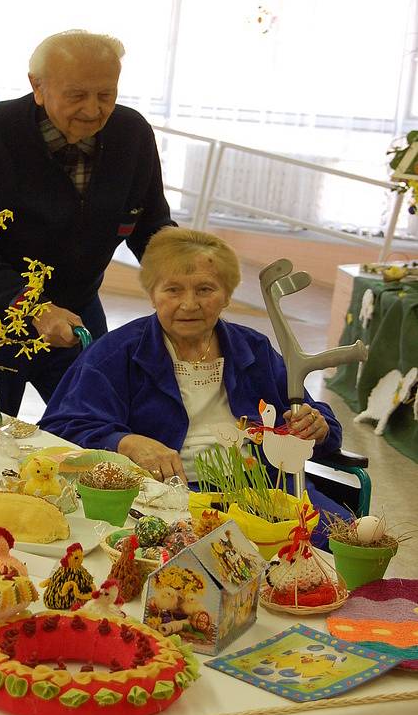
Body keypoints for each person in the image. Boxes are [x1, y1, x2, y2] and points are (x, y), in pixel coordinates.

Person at [40, 227, 348, 546]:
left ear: (227, 295)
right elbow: (59, 429)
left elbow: (310, 417)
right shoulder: (116, 354)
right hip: (167, 502)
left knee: (351, 539)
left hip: (269, 494)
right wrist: (125, 442)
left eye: (205, 289)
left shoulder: (253, 350)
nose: (189, 304)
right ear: (152, 293)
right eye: (173, 290)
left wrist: (318, 426)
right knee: (215, 555)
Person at [0, 30, 174, 416]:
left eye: (106, 95)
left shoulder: (131, 136)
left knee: (102, 430)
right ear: (37, 86)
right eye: (77, 95)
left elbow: (150, 226)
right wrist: (32, 307)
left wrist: (186, 267)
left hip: (78, 311)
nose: (93, 109)